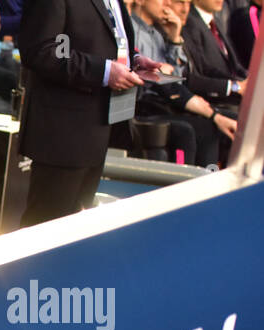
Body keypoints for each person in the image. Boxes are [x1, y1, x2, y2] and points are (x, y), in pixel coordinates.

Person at [18, 0, 162, 225]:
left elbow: (107, 39)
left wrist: (132, 61)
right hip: (62, 134)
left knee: (75, 231)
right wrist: (104, 72)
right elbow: (40, 51)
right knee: (44, 231)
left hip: (100, 128)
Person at [132, 0, 237, 166]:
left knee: (213, 124)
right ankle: (182, 180)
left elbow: (177, 76)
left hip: (167, 100)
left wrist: (174, 39)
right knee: (188, 130)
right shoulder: (132, 31)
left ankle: (211, 182)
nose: (166, 4)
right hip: (143, 105)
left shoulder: (157, 34)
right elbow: (160, 80)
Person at [182, 0, 251, 103]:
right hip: (214, 100)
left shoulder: (216, 21)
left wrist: (250, 80)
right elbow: (202, 70)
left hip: (231, 93)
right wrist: (236, 86)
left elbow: (235, 65)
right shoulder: (188, 22)